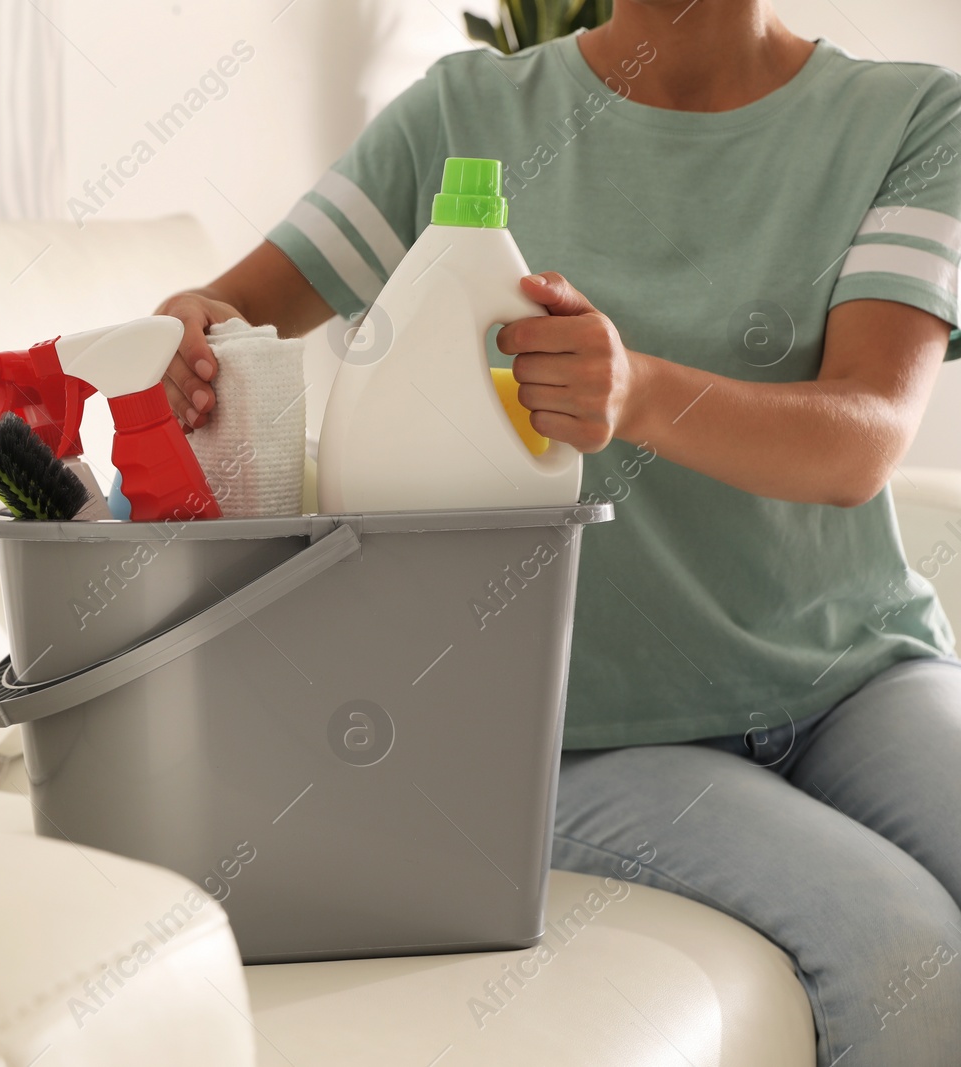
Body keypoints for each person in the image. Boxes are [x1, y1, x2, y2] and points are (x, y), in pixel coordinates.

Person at [155, 1, 961, 1062]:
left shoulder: (909, 118)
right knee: (905, 949)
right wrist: (190, 327)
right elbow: (228, 312)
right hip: (580, 728)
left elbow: (859, 441)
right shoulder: (464, 113)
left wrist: (634, 391)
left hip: (854, 673)